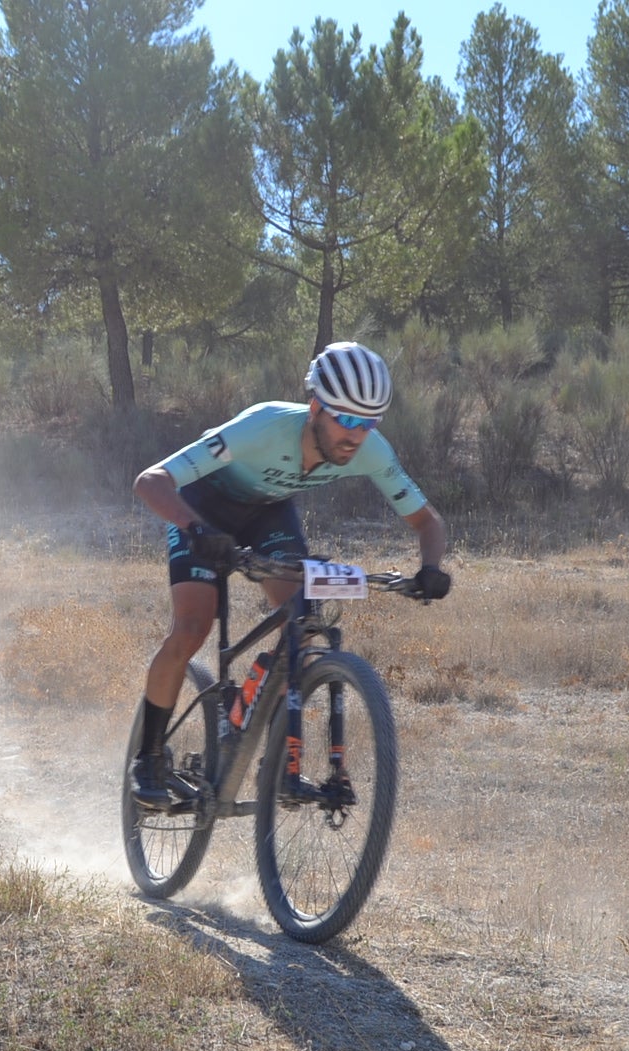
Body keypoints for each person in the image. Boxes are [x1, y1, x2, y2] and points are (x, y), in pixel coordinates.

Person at [128, 341, 452, 807]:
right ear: (315, 407)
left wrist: (431, 568)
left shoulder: (371, 451)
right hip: (202, 506)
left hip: (268, 515)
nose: (356, 436)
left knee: (301, 621)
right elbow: (151, 481)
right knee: (195, 623)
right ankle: (150, 756)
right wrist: (196, 530)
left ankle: (276, 758)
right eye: (346, 419)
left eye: (369, 423)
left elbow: (428, 522)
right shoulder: (263, 425)